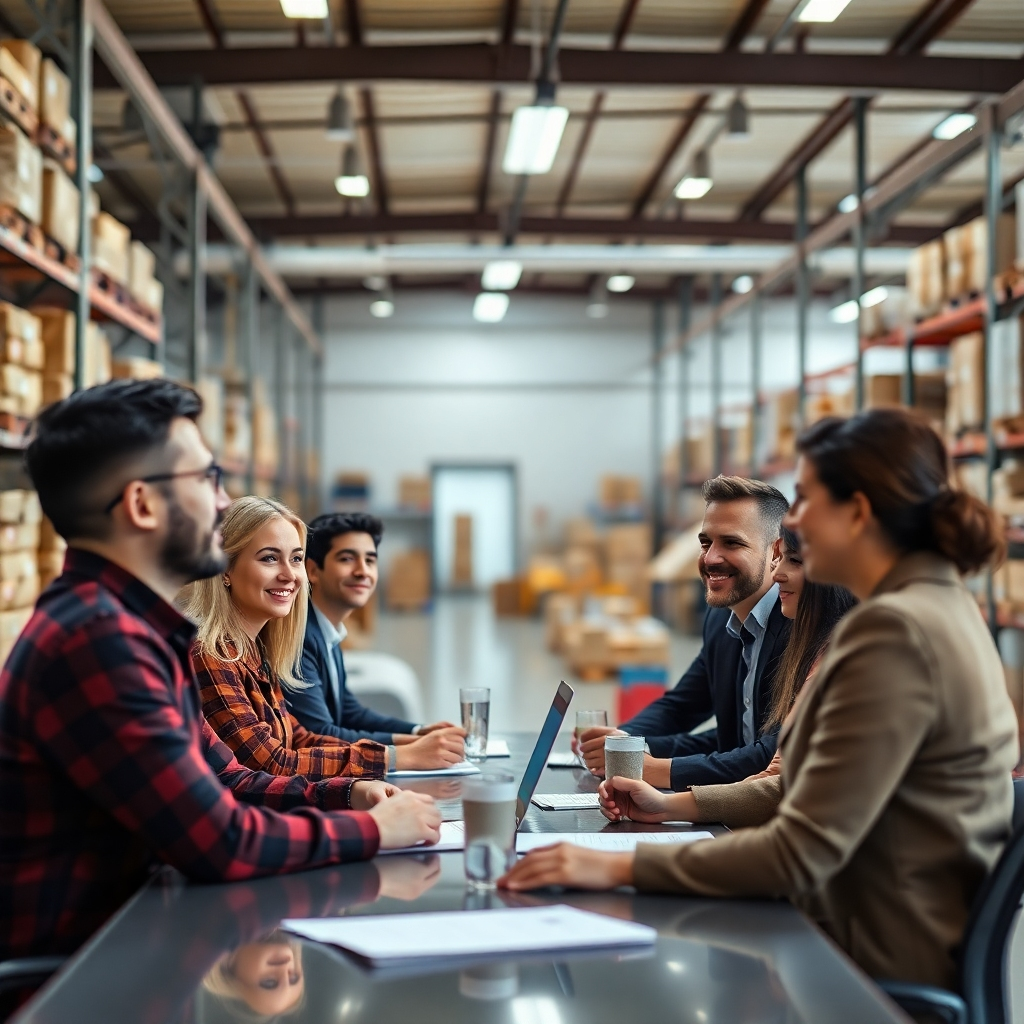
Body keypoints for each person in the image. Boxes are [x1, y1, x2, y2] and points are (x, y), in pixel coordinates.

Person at [501, 408, 1019, 990]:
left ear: (858, 513)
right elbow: (788, 784)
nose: (792, 523)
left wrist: (614, 864)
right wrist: (665, 803)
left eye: (805, 500)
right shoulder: (935, 609)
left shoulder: (895, 631)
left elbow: (798, 849)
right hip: (863, 934)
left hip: (861, 969)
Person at [0, 380, 440, 963]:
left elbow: (230, 782)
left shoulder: (139, 633)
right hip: (78, 982)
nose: (223, 502)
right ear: (141, 504)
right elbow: (219, 841)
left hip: (133, 952)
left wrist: (350, 793)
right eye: (207, 480)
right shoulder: (97, 642)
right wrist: (378, 831)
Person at [603, 524, 855, 828]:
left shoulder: (836, 654)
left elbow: (771, 766)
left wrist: (660, 780)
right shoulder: (728, 621)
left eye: (796, 561)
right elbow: (771, 772)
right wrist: (629, 746)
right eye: (705, 543)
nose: (777, 575)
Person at [577, 475, 792, 789]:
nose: (710, 558)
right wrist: (626, 741)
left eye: (731, 543)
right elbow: (684, 705)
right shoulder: (720, 621)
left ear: (776, 552)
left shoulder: (801, 624)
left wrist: (653, 769)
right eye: (706, 543)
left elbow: (774, 753)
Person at [184, 497, 394, 780]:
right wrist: (391, 758)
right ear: (225, 569)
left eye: (295, 559)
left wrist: (399, 754)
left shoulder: (255, 651)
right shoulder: (209, 656)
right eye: (269, 558)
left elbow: (297, 738)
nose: (290, 575)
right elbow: (272, 764)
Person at [286, 512, 466, 770]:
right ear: (312, 570)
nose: (363, 571)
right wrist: (410, 749)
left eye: (370, 560)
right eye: (347, 558)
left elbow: (348, 711)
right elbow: (319, 733)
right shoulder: (301, 637)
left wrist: (419, 731)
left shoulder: (328, 631)